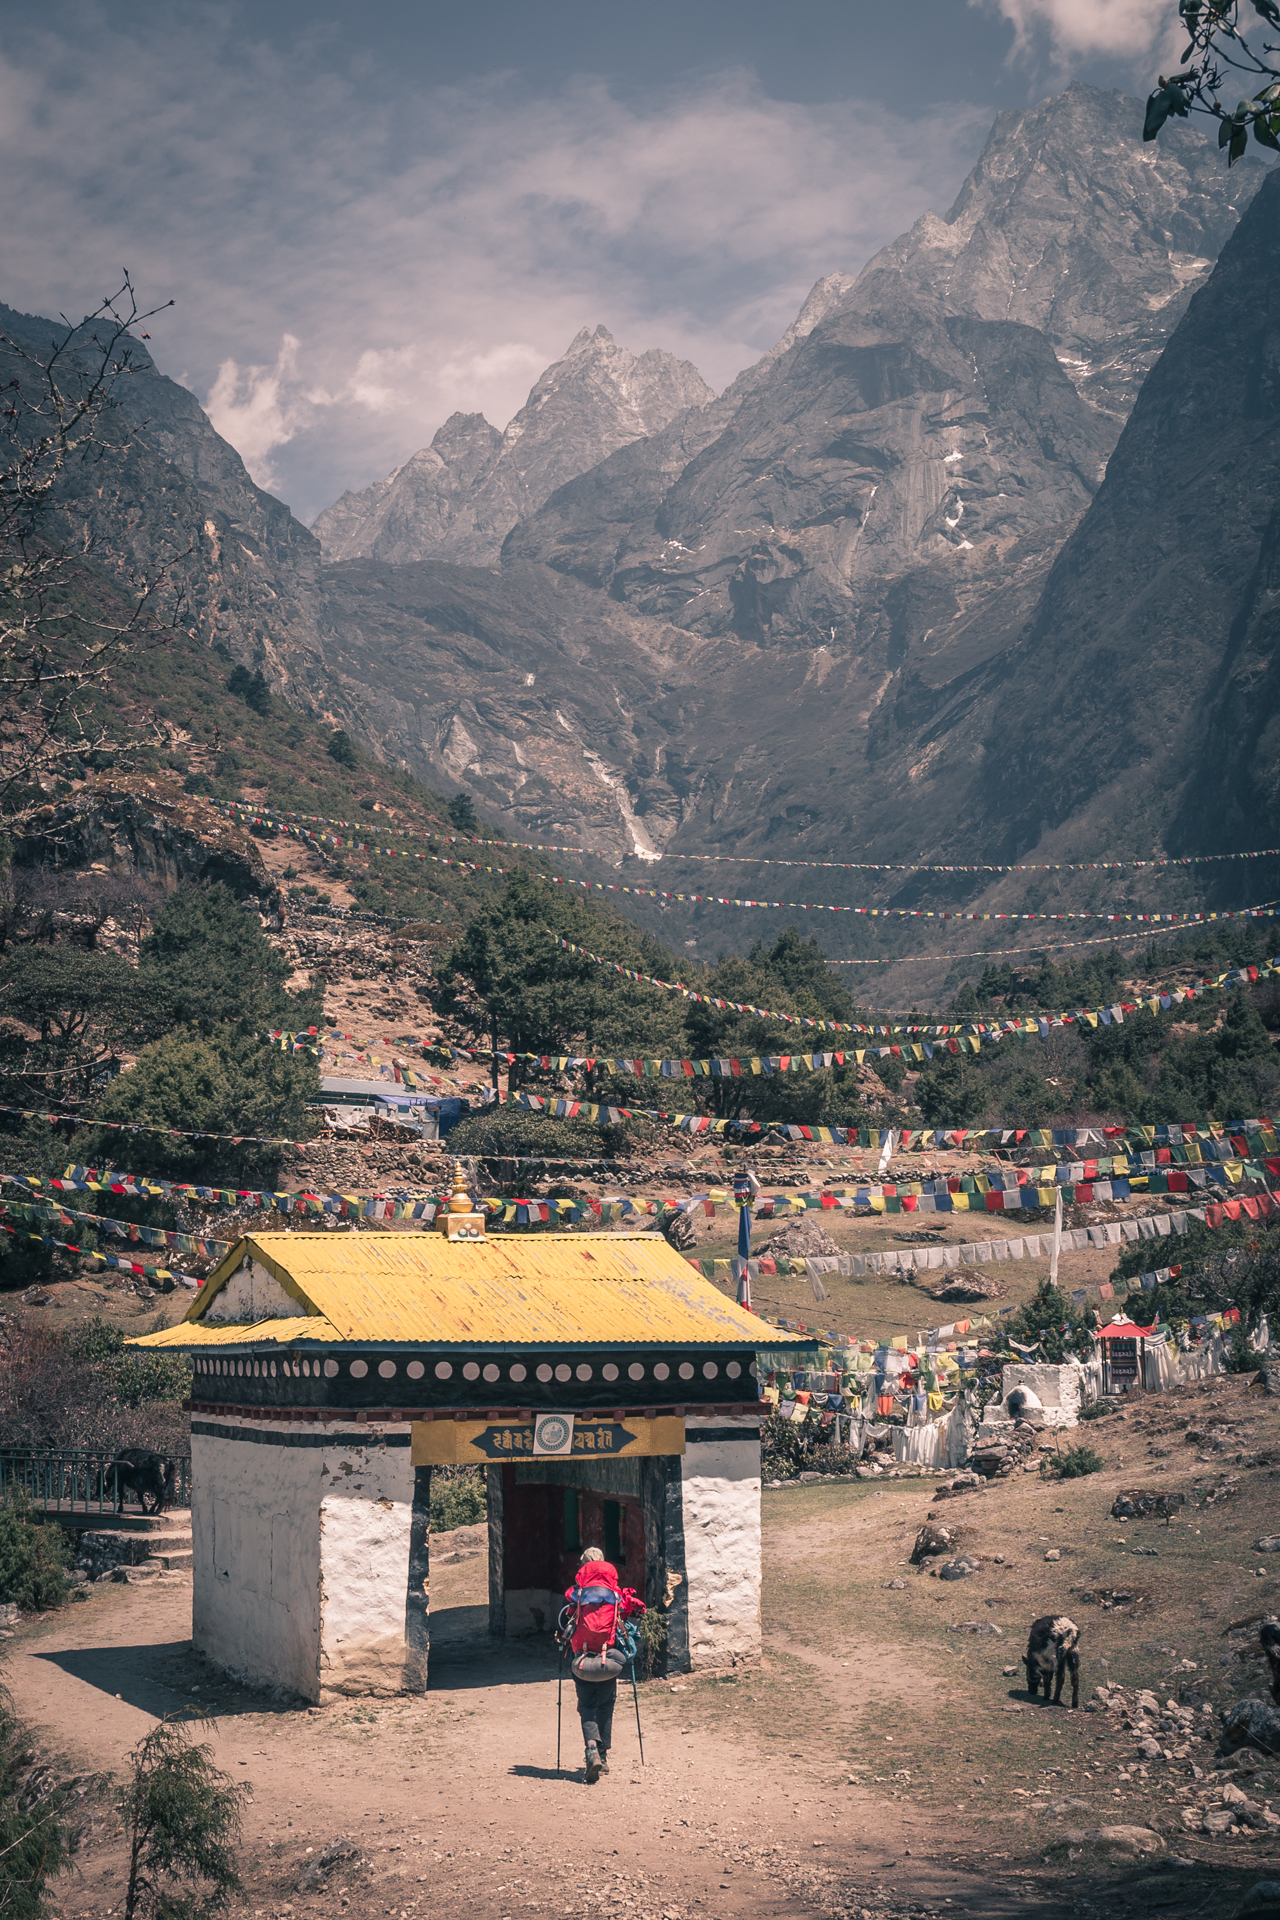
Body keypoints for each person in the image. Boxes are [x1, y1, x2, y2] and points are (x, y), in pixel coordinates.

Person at [567, 1548, 619, 1784]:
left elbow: (564, 1616)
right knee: (606, 1704)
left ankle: (591, 1750)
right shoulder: (615, 1594)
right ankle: (604, 1756)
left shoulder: (576, 1593)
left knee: (586, 1704)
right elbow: (629, 1610)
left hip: (582, 1657)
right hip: (607, 1658)